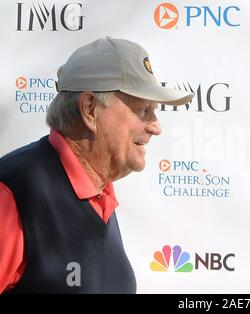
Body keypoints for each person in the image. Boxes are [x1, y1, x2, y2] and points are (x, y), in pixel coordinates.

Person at [0, 37, 193, 293]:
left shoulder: (101, 194)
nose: (156, 126)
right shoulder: (14, 191)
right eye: (144, 109)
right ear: (90, 109)